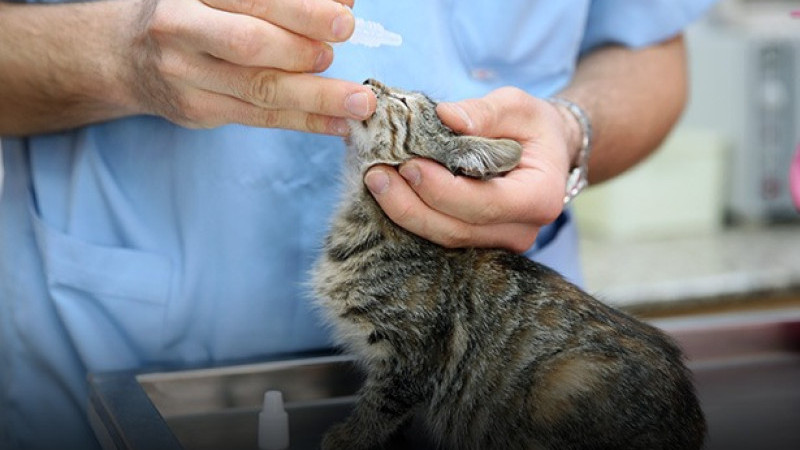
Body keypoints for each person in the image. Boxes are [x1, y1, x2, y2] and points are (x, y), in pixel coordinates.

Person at [0, 0, 718, 448]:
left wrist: (573, 132)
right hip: (104, 373)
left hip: (509, 396)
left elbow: (650, 45)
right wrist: (121, 56)